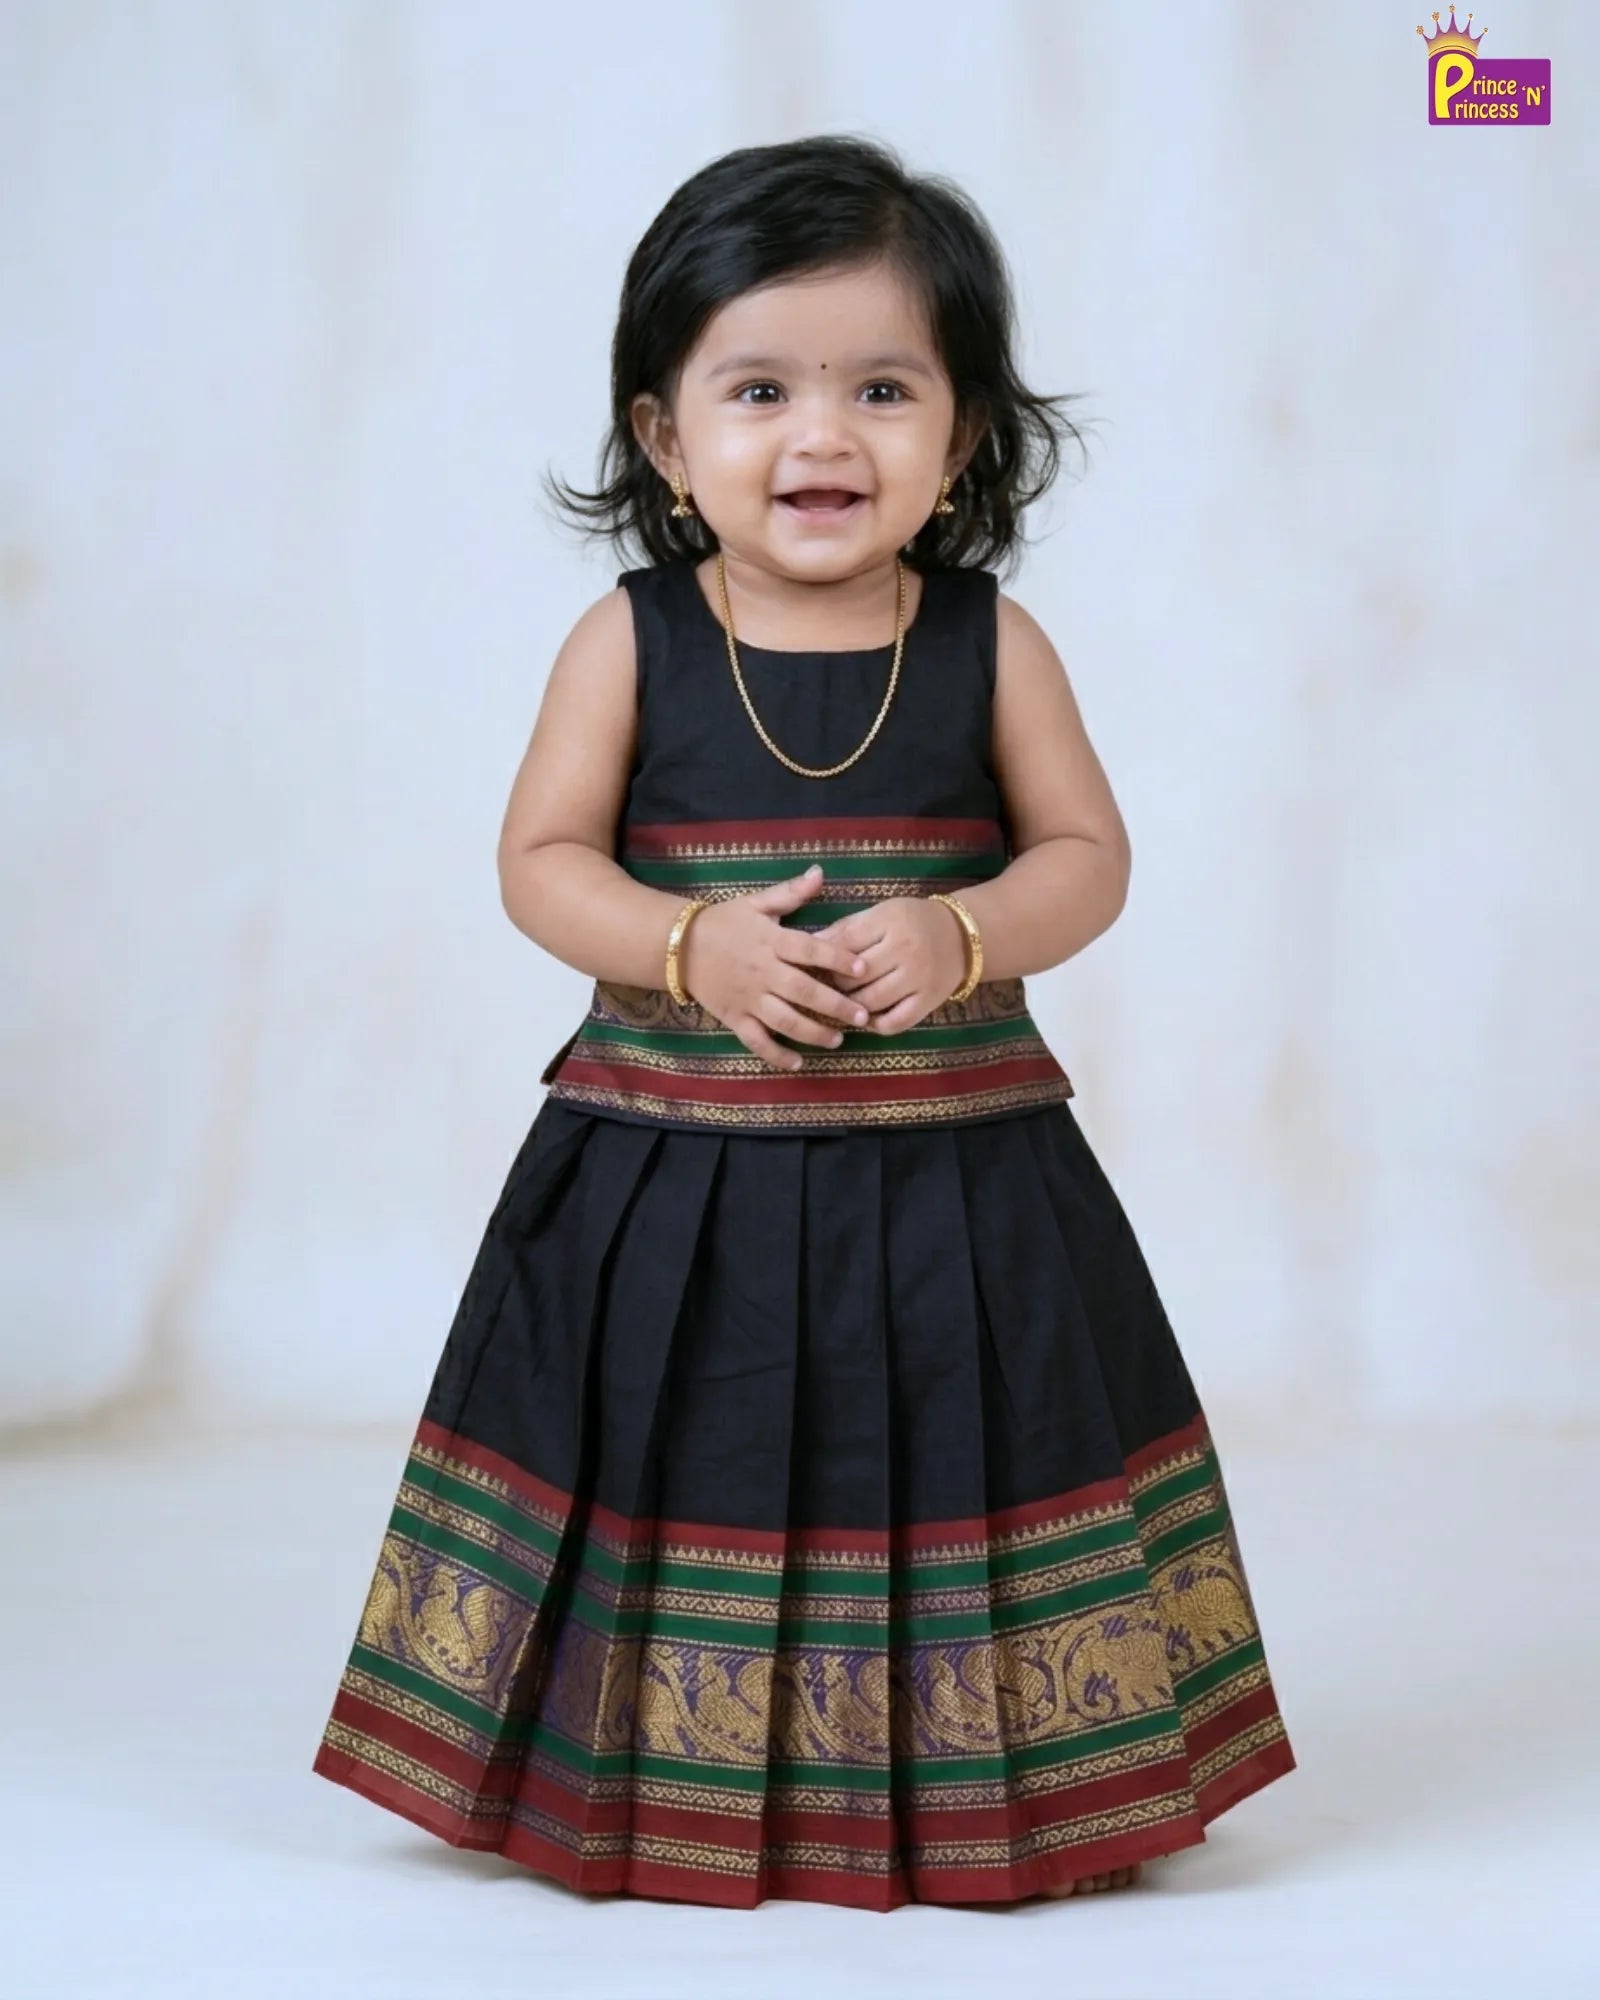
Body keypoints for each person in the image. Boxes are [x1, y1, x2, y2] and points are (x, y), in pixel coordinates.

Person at [312, 133, 1297, 1913]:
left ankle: (986, 1790)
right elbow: (539, 863)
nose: (823, 435)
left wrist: (973, 924)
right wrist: (687, 947)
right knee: (680, 1446)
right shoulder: (629, 643)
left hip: (959, 1194)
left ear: (967, 433)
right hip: (674, 1189)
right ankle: (654, 1784)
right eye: (760, 387)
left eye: (884, 387)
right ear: (667, 440)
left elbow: (1092, 855)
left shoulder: (998, 646)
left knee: (955, 1447)